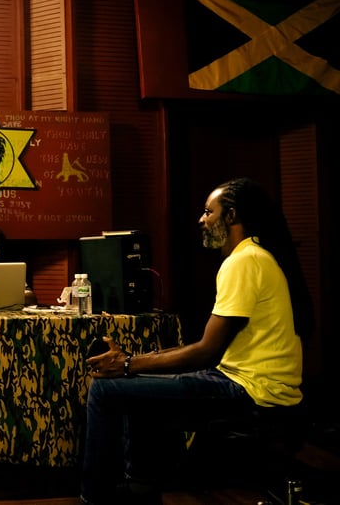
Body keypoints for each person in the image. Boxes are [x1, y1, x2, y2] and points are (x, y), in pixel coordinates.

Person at [78, 177, 314, 505]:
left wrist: (128, 363)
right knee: (134, 383)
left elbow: (206, 352)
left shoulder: (244, 261)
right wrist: (134, 364)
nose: (201, 220)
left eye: (208, 212)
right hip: (243, 381)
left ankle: (95, 498)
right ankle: (139, 488)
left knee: (105, 389)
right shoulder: (252, 256)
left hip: (251, 391)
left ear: (231, 215)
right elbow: (208, 346)